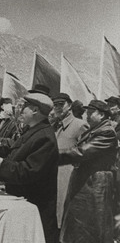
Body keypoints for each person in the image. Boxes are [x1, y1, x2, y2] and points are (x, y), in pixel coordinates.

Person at [0, 92, 59, 243]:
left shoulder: (45, 137)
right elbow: (18, 155)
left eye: (24, 107)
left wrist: (1, 164)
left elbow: (30, 171)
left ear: (35, 110)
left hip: (35, 204)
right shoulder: (34, 131)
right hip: (25, 202)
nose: (21, 110)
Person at [59, 100, 119, 243]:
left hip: (96, 184)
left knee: (93, 228)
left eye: (91, 111)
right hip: (89, 183)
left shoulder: (106, 132)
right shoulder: (97, 129)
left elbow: (81, 152)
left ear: (102, 114)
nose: (86, 114)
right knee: (85, 226)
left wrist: (54, 156)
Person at [51, 93, 89, 234]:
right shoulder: (56, 126)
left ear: (70, 105)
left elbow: (86, 153)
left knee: (66, 212)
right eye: (55, 105)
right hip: (54, 174)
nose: (58, 108)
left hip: (69, 176)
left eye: (61, 104)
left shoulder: (79, 125)